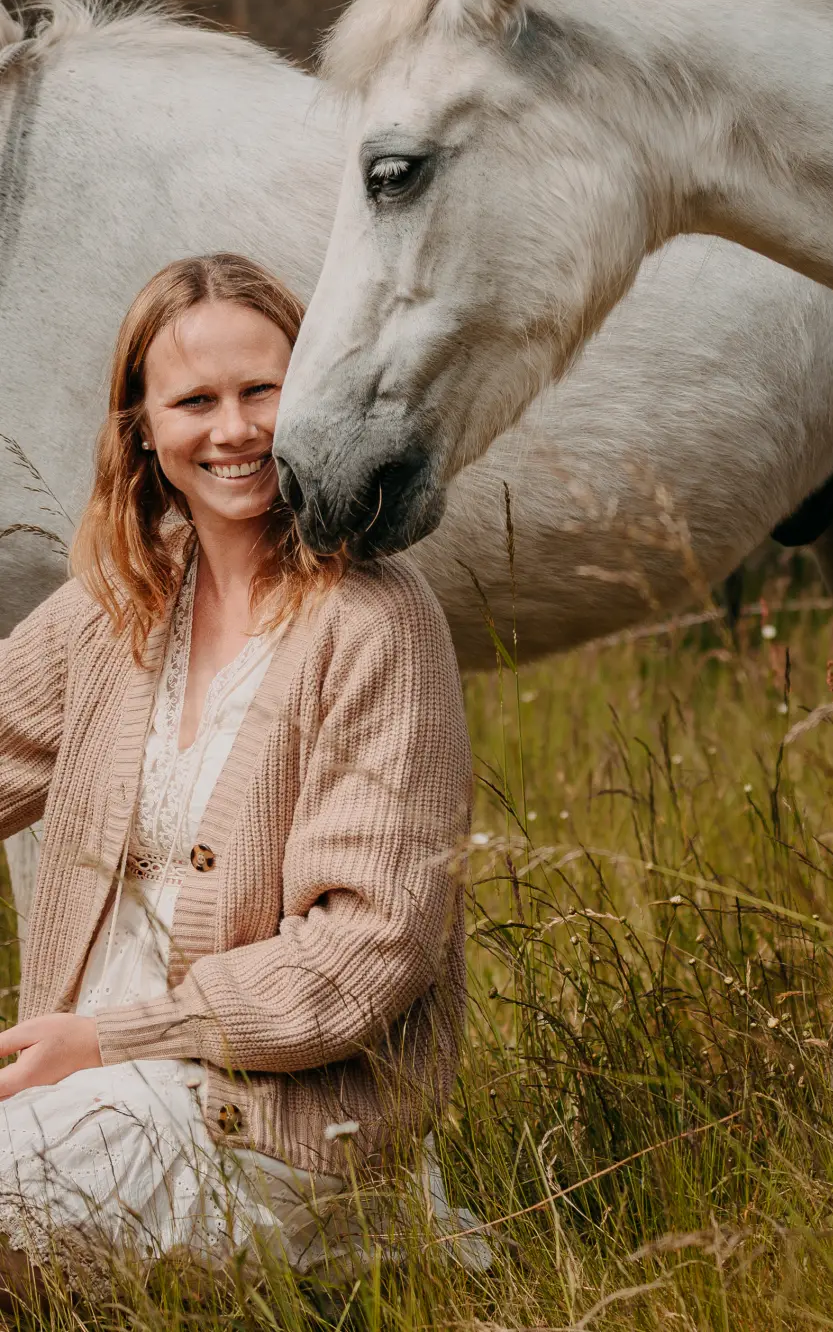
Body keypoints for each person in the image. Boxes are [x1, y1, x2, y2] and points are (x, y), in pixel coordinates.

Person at [0, 253, 474, 1289]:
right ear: (143, 428)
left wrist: (119, 1037)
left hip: (277, 1125)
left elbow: (370, 950)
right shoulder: (123, 603)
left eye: (262, 390)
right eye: (194, 401)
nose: (233, 430)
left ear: (309, 392)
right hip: (85, 1086)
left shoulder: (376, 621)